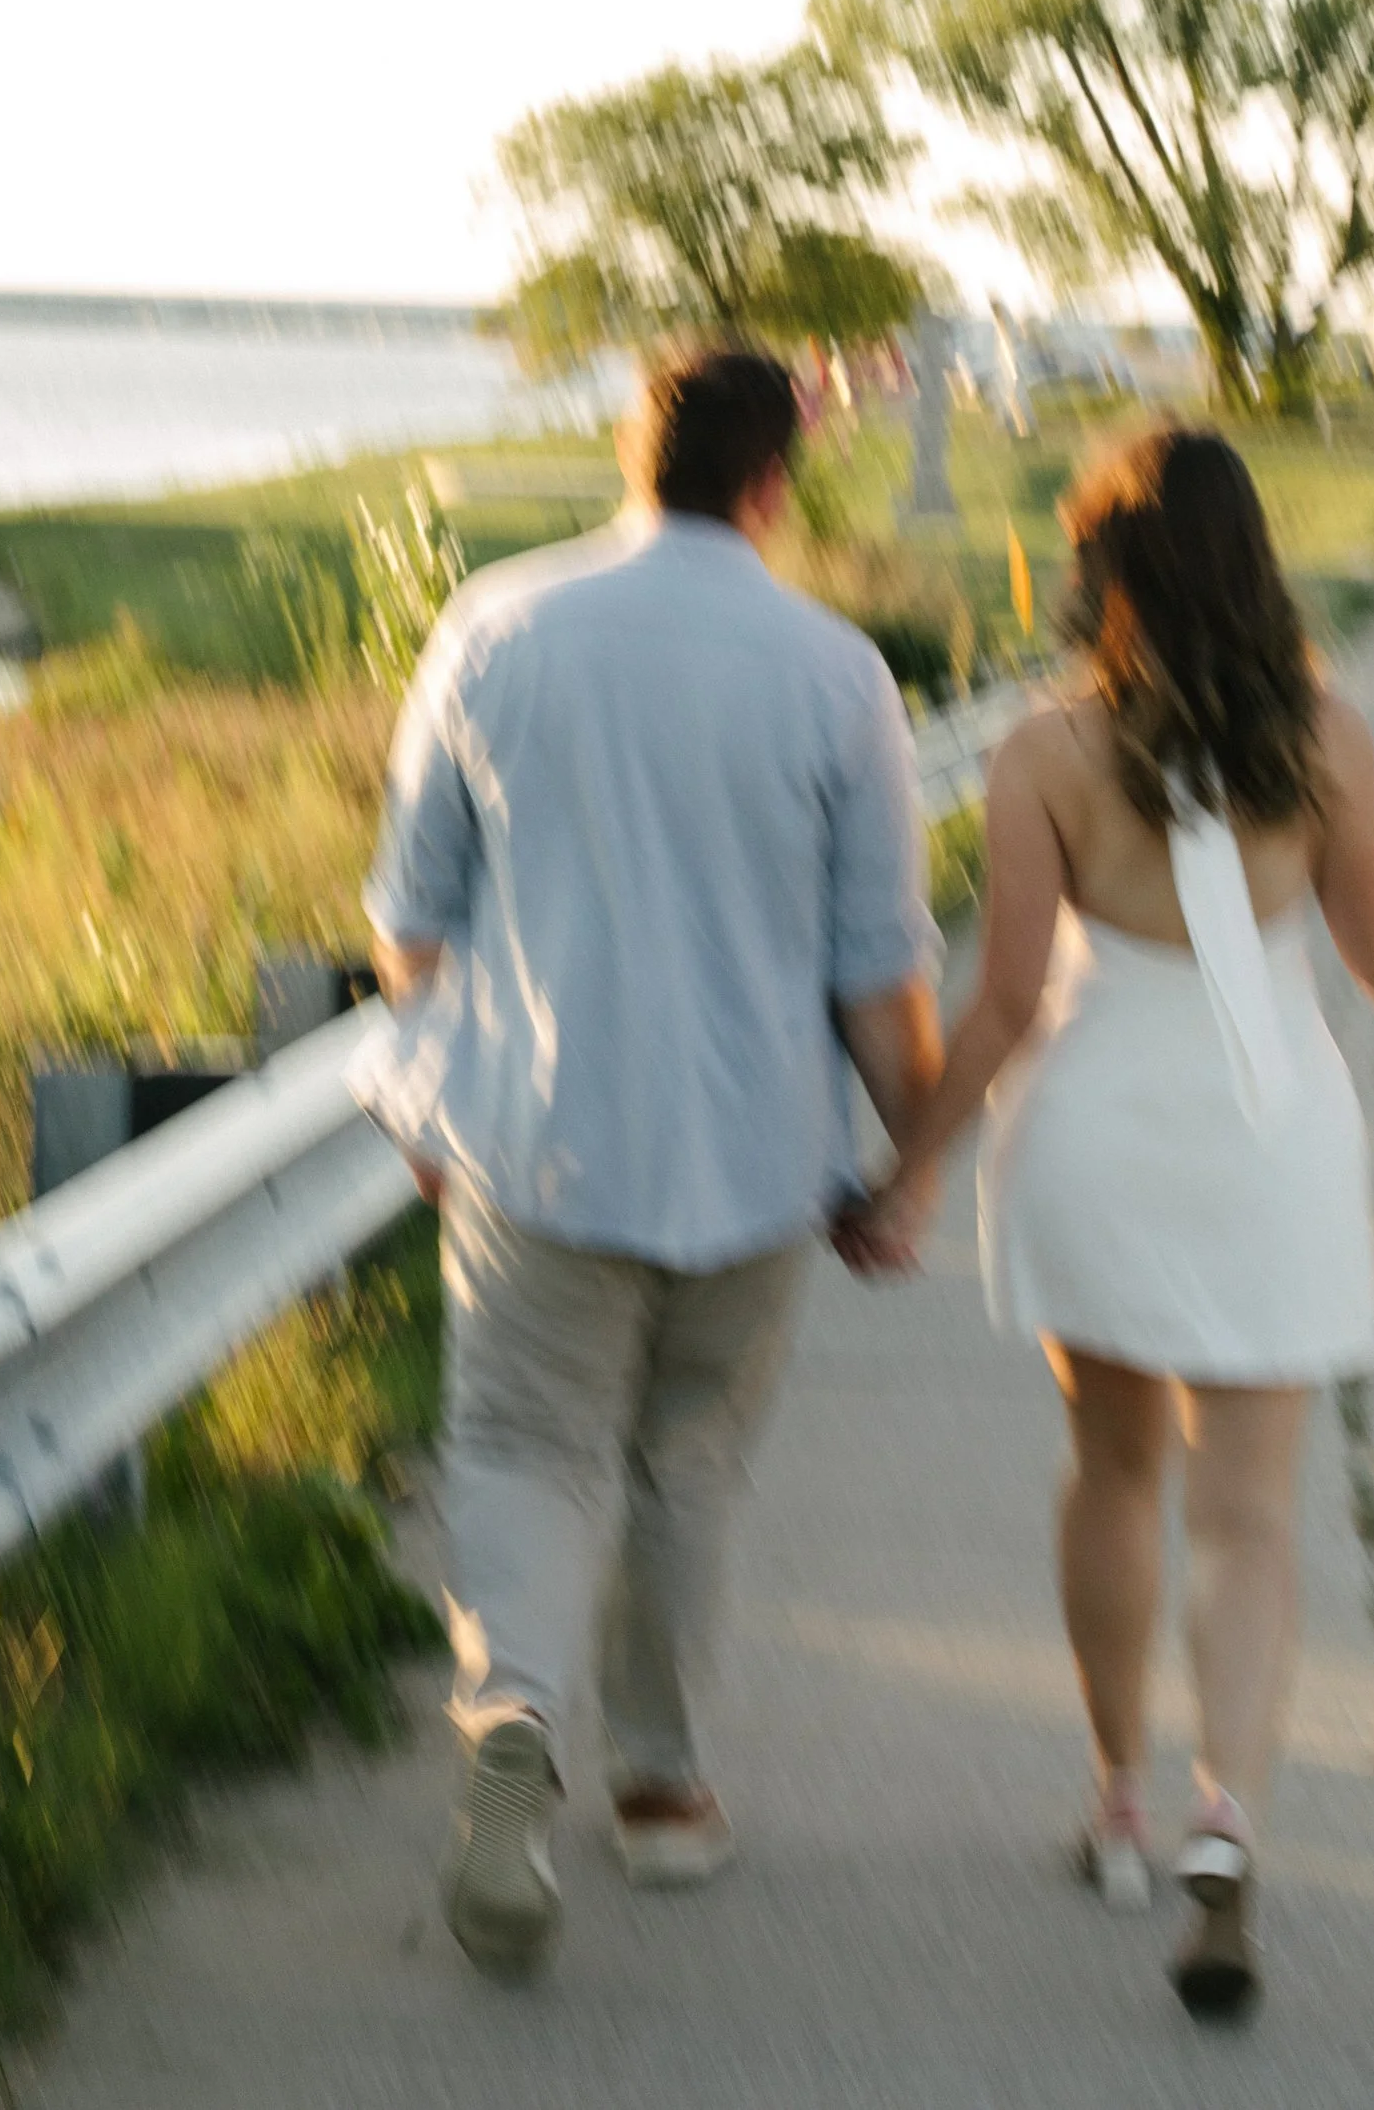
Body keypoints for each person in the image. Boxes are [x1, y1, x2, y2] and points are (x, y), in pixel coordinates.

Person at [863, 424, 1374, 2021]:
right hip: (1269, 1144)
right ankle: (1233, 1816)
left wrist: (910, 1166)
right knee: (1252, 1517)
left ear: (1105, 570)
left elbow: (1006, 1000)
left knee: (1115, 1470)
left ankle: (1120, 1801)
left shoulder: (1047, 752)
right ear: (1252, 557)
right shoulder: (1327, 736)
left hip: (1096, 1137)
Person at [359, 344, 943, 1983]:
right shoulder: (836, 672)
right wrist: (908, 1165)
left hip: (535, 1142)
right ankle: (667, 1794)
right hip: (758, 1158)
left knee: (524, 1444)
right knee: (687, 1459)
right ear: (774, 481)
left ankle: (514, 1716)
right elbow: (881, 971)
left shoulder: (496, 625)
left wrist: (443, 1088)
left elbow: (410, 920)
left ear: (632, 456)